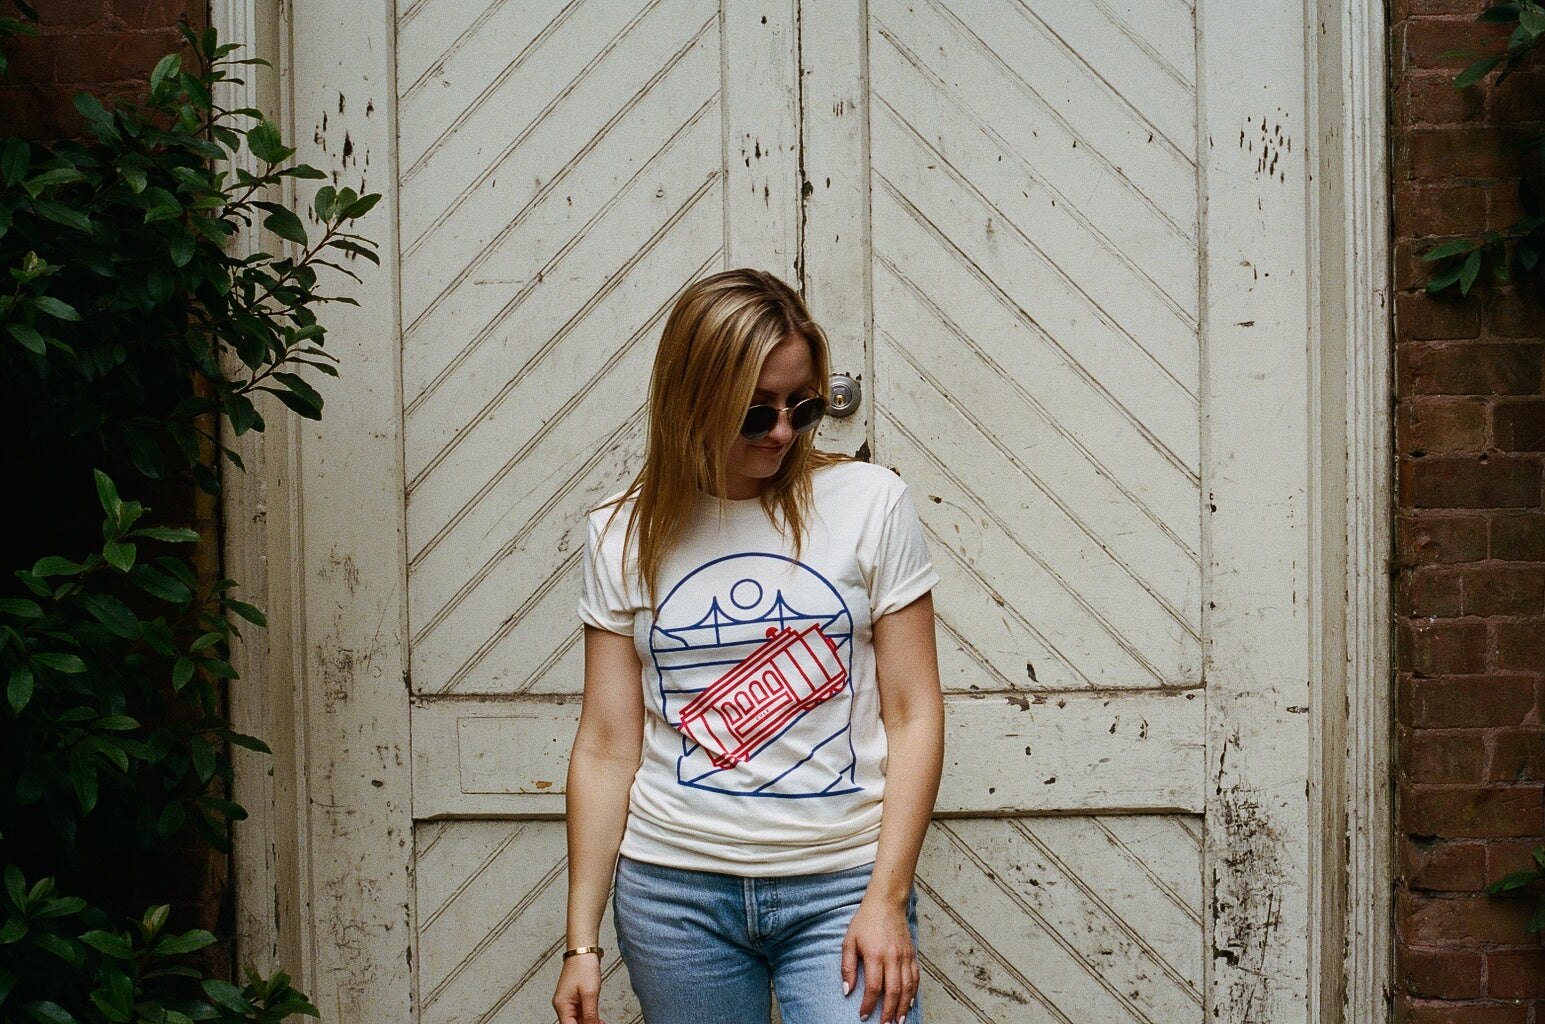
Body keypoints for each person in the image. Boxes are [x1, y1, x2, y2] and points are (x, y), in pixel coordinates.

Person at [552, 269, 944, 1024]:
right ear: (689, 402)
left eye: (801, 407)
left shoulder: (870, 502)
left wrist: (886, 897)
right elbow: (605, 744)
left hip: (840, 882)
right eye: (753, 413)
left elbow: (913, 712)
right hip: (674, 894)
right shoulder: (618, 531)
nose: (782, 433)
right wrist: (581, 943)